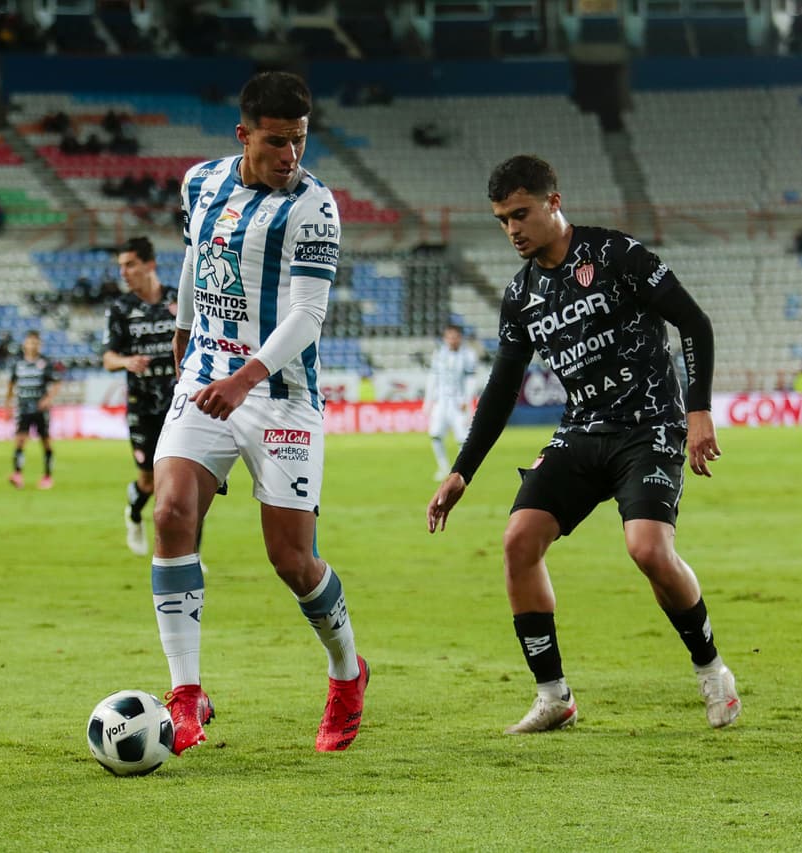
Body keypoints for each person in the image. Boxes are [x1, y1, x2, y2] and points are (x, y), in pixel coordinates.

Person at [426, 155, 740, 735]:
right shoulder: (521, 294)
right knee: (519, 540)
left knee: (647, 549)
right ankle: (554, 696)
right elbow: (501, 388)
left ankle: (711, 669)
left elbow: (693, 322)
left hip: (648, 427)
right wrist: (461, 471)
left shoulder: (615, 255)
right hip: (582, 432)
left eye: (520, 214)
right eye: (501, 219)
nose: (512, 229)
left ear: (553, 201)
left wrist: (698, 412)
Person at [150, 70, 367, 756]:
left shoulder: (315, 208)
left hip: (280, 395)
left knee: (292, 559)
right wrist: (183, 327)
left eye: (299, 142)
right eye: (276, 143)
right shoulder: (200, 182)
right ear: (242, 135)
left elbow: (306, 313)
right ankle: (185, 694)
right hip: (206, 376)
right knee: (170, 513)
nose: (290, 157)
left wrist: (246, 376)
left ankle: (346, 672)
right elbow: (194, 256)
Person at [103, 236, 180, 556]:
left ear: (150, 265)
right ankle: (134, 514)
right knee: (148, 482)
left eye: (130, 264)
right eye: (121, 266)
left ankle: (189, 554)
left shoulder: (178, 300)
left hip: (179, 405)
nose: (124, 272)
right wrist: (126, 361)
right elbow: (108, 358)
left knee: (183, 483)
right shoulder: (120, 309)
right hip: (142, 406)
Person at [5, 330, 60, 490]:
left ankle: (48, 476)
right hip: (23, 407)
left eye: (35, 343)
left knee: (46, 442)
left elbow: (57, 383)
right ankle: (17, 474)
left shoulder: (45, 363)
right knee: (20, 440)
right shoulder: (17, 364)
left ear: (40, 345)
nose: (32, 345)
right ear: (24, 344)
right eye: (30, 342)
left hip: (40, 408)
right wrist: (8, 405)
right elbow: (11, 384)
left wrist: (48, 399)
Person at [425, 323, 477, 480]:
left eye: (455, 336)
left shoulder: (468, 355)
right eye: (449, 337)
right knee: (435, 434)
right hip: (441, 401)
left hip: (458, 402)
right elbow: (433, 378)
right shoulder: (439, 354)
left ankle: (459, 471)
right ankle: (443, 467)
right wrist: (428, 401)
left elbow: (471, 379)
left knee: (462, 438)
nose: (452, 340)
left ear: (460, 338)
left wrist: (467, 400)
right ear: (445, 338)